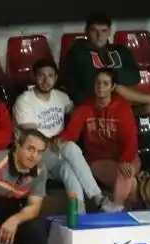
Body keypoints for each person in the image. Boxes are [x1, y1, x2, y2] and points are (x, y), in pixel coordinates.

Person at [13, 58, 120, 215]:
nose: (46, 80)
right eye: (41, 75)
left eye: (50, 75)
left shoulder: (61, 97)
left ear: (56, 78)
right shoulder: (25, 101)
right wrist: (59, 139)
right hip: (34, 154)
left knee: (68, 169)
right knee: (70, 146)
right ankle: (99, 198)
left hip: (56, 153)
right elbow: (32, 138)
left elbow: (79, 114)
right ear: (34, 77)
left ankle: (79, 214)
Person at [59, 69, 141, 210]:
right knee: (131, 182)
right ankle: (120, 209)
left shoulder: (122, 108)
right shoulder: (84, 108)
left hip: (126, 157)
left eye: (105, 83)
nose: (101, 87)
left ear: (113, 87)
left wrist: (124, 160)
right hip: (99, 159)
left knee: (126, 172)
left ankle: (116, 208)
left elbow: (131, 139)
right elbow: (71, 134)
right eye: (98, 83)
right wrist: (58, 140)